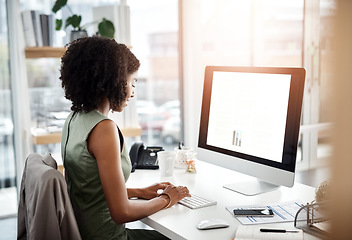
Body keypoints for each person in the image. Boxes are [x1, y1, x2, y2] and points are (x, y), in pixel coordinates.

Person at [60, 36, 190, 240]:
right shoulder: (104, 129)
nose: (133, 92)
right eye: (133, 82)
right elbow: (122, 213)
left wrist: (140, 191)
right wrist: (167, 198)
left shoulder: (74, 120)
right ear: (115, 81)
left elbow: (88, 190)